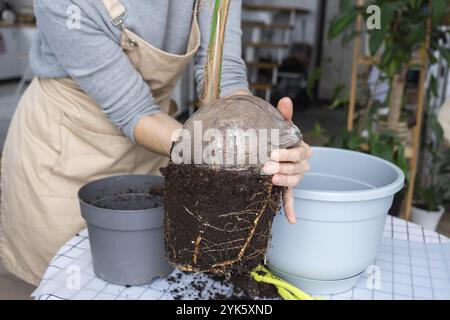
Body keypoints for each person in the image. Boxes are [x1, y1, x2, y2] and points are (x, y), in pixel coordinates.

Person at [0, 0, 312, 286]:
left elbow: (222, 78)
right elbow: (133, 110)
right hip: (67, 147)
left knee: (149, 275)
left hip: (160, 143)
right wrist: (229, 152)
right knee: (71, 280)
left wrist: (265, 136)